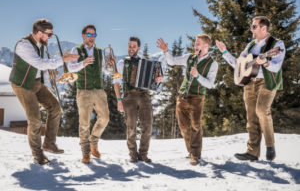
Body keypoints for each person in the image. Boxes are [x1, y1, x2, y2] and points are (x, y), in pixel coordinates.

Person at [9, 18, 79, 165]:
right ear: (39, 33)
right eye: (49, 34)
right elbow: (39, 63)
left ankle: (49, 143)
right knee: (35, 118)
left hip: (36, 82)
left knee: (55, 109)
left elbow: (40, 67)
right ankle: (37, 153)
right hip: (22, 85)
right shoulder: (24, 45)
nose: (50, 37)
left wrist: (50, 76)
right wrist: (63, 59)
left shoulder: (40, 43)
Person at [216, 16, 286, 161]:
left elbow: (276, 66)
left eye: (254, 27)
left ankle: (270, 145)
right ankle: (252, 152)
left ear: (264, 28)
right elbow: (238, 63)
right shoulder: (251, 45)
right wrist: (224, 52)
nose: (251, 29)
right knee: (251, 118)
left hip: (267, 82)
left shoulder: (277, 44)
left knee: (262, 110)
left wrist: (265, 62)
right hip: (249, 83)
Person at [157, 34, 218, 165]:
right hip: (182, 95)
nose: (195, 46)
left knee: (195, 126)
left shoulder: (213, 64)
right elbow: (172, 61)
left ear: (206, 46)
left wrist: (197, 76)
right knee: (183, 126)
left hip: (197, 97)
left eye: (198, 43)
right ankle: (191, 151)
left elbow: (210, 84)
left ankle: (195, 155)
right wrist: (166, 51)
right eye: (195, 43)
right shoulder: (190, 58)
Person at [113, 36, 162, 163]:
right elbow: (116, 83)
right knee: (131, 126)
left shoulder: (145, 62)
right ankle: (133, 154)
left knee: (148, 125)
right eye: (129, 46)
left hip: (144, 95)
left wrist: (158, 79)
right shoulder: (121, 63)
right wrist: (119, 100)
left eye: (134, 46)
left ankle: (143, 153)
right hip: (129, 97)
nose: (131, 48)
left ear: (138, 48)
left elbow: (153, 81)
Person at [68, 24, 110, 164]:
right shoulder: (76, 50)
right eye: (89, 34)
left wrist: (110, 65)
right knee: (84, 123)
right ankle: (86, 152)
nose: (92, 37)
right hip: (84, 91)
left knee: (104, 118)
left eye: (94, 35)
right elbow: (70, 67)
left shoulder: (99, 52)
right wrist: (83, 63)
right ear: (83, 36)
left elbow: (105, 70)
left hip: (99, 90)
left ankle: (93, 142)